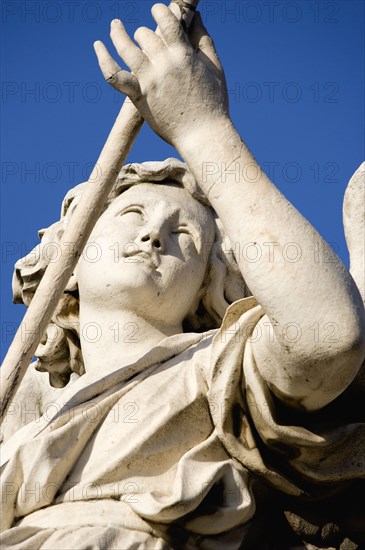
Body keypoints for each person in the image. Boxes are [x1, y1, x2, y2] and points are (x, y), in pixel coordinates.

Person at [1, 4, 364, 549]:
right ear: (68, 258)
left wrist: (201, 127)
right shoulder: (19, 422)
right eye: (132, 215)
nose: (154, 237)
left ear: (207, 284)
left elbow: (328, 337)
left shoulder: (217, 371)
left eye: (186, 237)